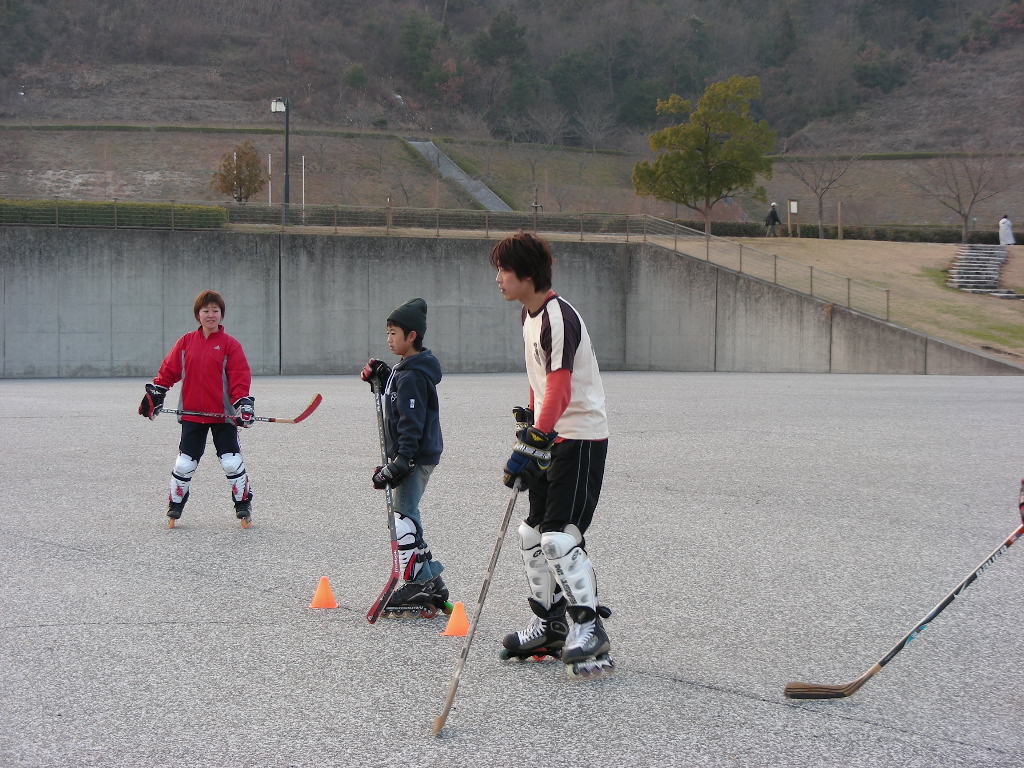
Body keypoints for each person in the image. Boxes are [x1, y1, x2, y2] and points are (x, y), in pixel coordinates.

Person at [489, 232, 614, 680]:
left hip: (579, 437)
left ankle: (589, 627)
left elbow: (560, 387)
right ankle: (549, 624)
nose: (498, 279)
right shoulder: (529, 316)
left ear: (526, 274)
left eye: (503, 270)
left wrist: (536, 439)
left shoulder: (557, 317)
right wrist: (531, 423)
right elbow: (540, 383)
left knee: (560, 538)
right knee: (531, 533)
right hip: (553, 435)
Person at [138, 289, 256, 528]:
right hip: (192, 414)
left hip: (223, 416)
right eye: (206, 311)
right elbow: (169, 370)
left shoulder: (230, 345)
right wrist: (156, 392)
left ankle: (243, 503)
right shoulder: (186, 342)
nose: (210, 315)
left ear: (222, 315)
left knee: (231, 462)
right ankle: (175, 505)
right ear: (198, 314)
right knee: (184, 464)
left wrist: (242, 403)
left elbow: (239, 379)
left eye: (215, 310)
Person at [360, 298, 448, 613]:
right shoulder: (405, 370)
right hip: (410, 455)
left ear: (412, 336)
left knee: (402, 519)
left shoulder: (413, 375)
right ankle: (428, 578)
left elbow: (411, 421)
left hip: (415, 456)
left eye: (394, 332)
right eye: (387, 332)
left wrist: (401, 462)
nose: (388, 338)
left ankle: (417, 584)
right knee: (406, 515)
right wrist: (382, 377)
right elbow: (394, 400)